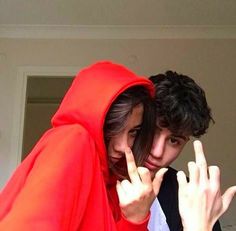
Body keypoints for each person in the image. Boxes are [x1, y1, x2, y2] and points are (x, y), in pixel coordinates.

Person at [0, 61, 163, 230]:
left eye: (133, 132)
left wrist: (134, 219)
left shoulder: (112, 187)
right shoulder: (74, 140)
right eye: (112, 128)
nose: (123, 146)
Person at [147, 71, 234, 231]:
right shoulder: (94, 183)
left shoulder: (192, 198)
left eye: (174, 140)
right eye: (152, 131)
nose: (157, 152)